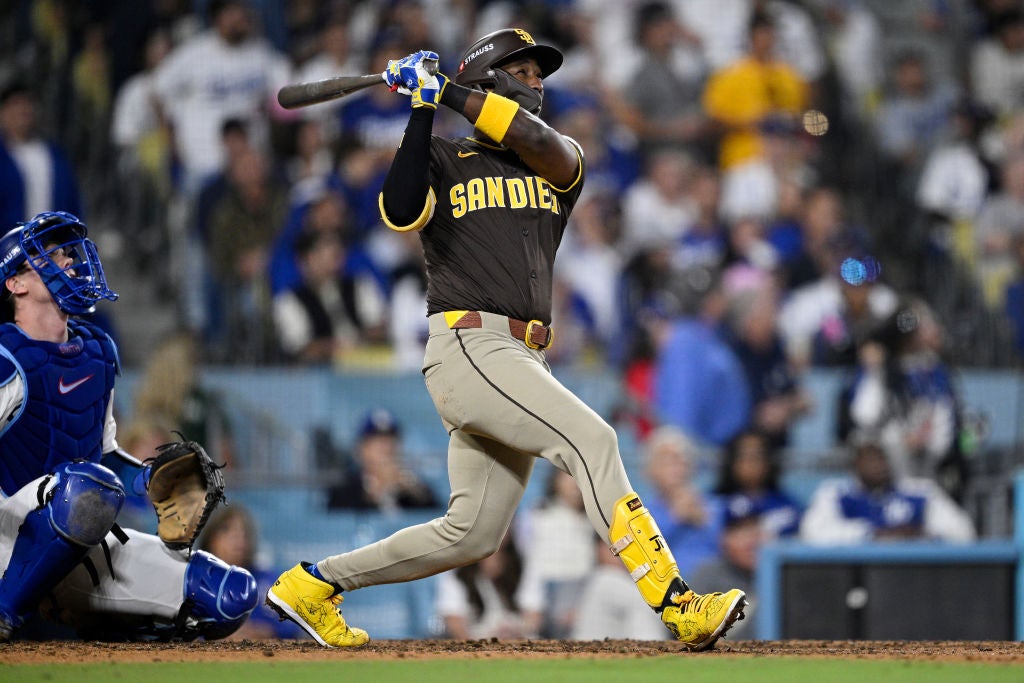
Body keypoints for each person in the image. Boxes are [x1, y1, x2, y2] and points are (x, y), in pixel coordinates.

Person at [266, 29, 746, 651]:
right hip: (469, 344)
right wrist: (421, 110)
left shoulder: (556, 159)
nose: (538, 84)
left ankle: (312, 584)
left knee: (470, 533)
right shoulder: (446, 157)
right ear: (491, 78)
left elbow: (535, 139)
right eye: (524, 72)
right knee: (592, 440)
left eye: (540, 75)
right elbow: (399, 207)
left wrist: (449, 92)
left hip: (522, 355)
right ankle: (679, 605)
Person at [0, 211, 258, 642]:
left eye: (67, 252)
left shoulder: (96, 353)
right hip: (7, 538)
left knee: (228, 595)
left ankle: (105, 633)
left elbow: (100, 456)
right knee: (85, 489)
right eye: (50, 255)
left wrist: (146, 482)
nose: (67, 260)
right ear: (16, 283)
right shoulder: (6, 358)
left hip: (75, 534)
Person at [799, 430, 976, 545]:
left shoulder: (919, 492)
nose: (877, 465)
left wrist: (919, 536)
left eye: (881, 457)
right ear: (855, 464)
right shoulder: (836, 494)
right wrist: (873, 535)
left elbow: (963, 532)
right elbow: (812, 534)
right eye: (869, 458)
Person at [197, 506, 303, 640]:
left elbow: (295, 624)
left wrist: (267, 632)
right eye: (226, 529)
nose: (238, 537)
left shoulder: (270, 581)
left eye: (244, 532)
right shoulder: (192, 581)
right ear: (210, 538)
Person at [326, 408, 438, 512]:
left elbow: (437, 518)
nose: (387, 449)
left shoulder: (412, 487)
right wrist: (373, 495)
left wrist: (416, 493)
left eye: (391, 441)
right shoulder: (344, 489)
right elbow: (336, 520)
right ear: (362, 449)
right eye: (378, 442)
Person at [434, 532, 542, 640]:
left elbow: (534, 613)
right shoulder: (457, 568)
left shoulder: (523, 564)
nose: (495, 529)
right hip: (475, 642)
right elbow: (453, 620)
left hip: (518, 641)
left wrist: (518, 631)